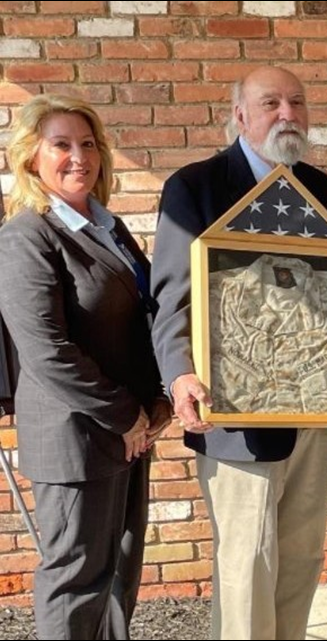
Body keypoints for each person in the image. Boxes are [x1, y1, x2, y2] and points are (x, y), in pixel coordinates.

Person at [150, 66, 327, 640]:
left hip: (315, 408)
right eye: (270, 102)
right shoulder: (194, 187)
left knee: (300, 559)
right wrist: (178, 376)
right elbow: (171, 297)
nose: (287, 113)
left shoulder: (322, 190)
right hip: (236, 411)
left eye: (297, 102)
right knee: (248, 562)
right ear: (241, 115)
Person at [0, 94, 172, 639]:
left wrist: (157, 403)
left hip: (129, 431)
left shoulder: (106, 227)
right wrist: (127, 415)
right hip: (78, 436)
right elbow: (46, 350)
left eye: (89, 143)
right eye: (62, 144)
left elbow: (143, 312)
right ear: (31, 157)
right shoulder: (27, 235)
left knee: (120, 576)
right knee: (76, 582)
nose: (80, 156)